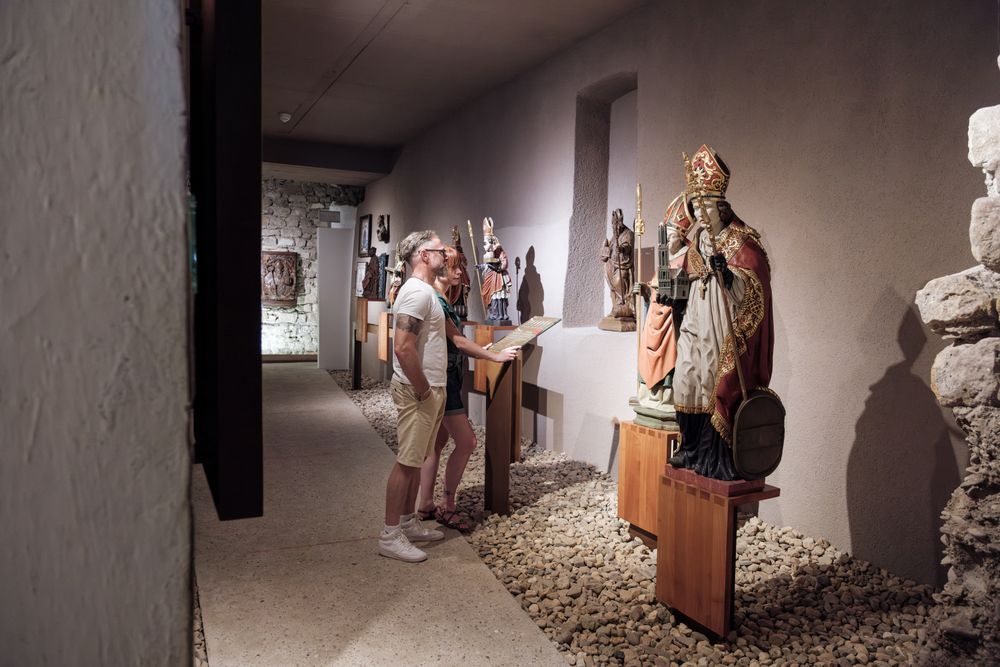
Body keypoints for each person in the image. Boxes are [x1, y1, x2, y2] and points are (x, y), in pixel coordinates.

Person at [667, 145, 774, 480]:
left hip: (720, 320)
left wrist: (728, 275)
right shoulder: (698, 240)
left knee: (712, 377)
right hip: (697, 316)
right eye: (695, 205)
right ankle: (690, 445)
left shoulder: (742, 241)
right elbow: (679, 262)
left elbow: (754, 285)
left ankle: (713, 454)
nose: (698, 212)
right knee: (686, 375)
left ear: (720, 206)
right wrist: (687, 261)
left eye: (704, 205)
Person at [417, 245, 519, 530]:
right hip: (443, 380)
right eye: (455, 267)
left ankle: (426, 502)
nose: (460, 272)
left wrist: (480, 349)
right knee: (467, 442)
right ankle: (447, 505)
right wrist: (494, 355)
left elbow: (454, 341)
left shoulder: (440, 298)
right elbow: (459, 341)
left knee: (437, 442)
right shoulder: (437, 299)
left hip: (445, 375)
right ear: (440, 268)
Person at [379, 230, 450, 563]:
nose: (445, 255)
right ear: (423, 255)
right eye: (440, 250)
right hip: (417, 390)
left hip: (429, 388)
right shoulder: (416, 294)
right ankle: (390, 535)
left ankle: (407, 523)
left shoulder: (425, 292)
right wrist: (423, 388)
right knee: (407, 463)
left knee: (417, 459)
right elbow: (403, 347)